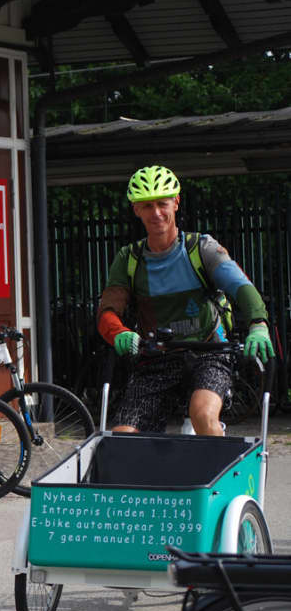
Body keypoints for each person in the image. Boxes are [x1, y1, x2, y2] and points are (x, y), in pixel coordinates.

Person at [96, 165, 273, 436]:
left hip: (210, 353)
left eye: (162, 203)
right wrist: (118, 332)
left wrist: (258, 324)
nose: (156, 213)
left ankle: (215, 459)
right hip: (157, 359)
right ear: (136, 210)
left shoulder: (201, 248)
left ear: (176, 203)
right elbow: (107, 311)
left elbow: (241, 287)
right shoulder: (128, 259)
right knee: (124, 435)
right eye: (147, 206)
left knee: (202, 415)